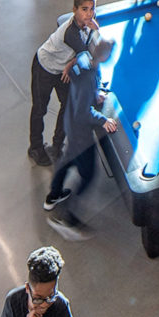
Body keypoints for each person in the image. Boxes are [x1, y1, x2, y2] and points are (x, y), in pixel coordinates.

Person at [43, 37, 118, 240]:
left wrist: (95, 94)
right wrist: (103, 120)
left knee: (67, 160)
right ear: (104, 56)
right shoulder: (88, 75)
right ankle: (67, 218)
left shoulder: (84, 57)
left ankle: (53, 196)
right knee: (88, 174)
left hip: (70, 123)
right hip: (80, 132)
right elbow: (83, 113)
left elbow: (76, 69)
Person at [28, 0, 99, 166]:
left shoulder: (87, 24)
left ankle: (57, 146)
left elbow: (83, 50)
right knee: (40, 109)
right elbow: (86, 58)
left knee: (68, 107)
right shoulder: (70, 32)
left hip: (62, 71)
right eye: (84, 9)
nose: (89, 14)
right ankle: (35, 148)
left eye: (92, 9)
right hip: (44, 67)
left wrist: (69, 64)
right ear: (74, 10)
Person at [0, 245, 78, 317]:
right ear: (27, 288)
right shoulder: (13, 301)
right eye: (38, 299)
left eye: (51, 297)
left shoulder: (60, 305)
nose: (45, 304)